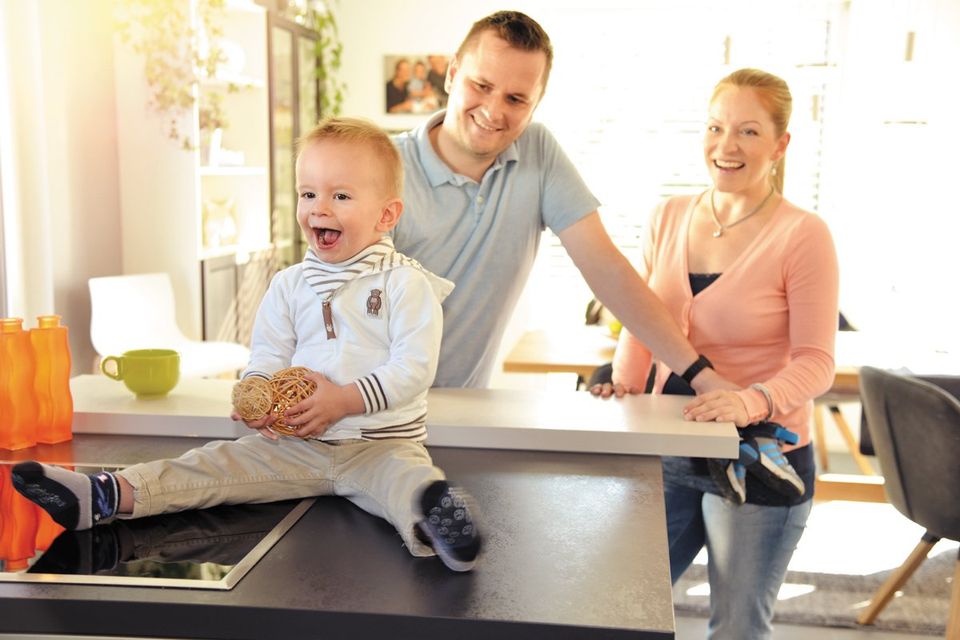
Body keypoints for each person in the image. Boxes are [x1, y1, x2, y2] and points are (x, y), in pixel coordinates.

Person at [12, 117, 482, 573]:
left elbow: (414, 369)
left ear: (387, 214)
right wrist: (256, 393)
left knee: (409, 484)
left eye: (340, 195)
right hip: (300, 444)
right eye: (307, 193)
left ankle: (440, 528)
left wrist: (344, 400)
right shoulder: (289, 284)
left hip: (382, 446)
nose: (319, 207)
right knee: (214, 463)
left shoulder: (406, 284)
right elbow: (269, 355)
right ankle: (103, 495)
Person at [593, 69, 838, 638]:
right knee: (620, 605)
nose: (727, 147)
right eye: (715, 127)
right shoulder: (669, 215)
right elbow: (643, 316)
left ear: (780, 146)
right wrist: (623, 384)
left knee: (734, 628)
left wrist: (749, 401)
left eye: (748, 132)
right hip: (668, 448)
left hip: (758, 460)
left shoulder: (804, 236)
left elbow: (817, 362)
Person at [391, 10, 727, 395]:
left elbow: (608, 272)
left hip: (460, 409)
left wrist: (700, 375)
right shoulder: (381, 164)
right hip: (360, 413)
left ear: (536, 103)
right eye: (481, 85)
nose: (494, 110)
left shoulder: (537, 151)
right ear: (452, 75)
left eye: (516, 98)